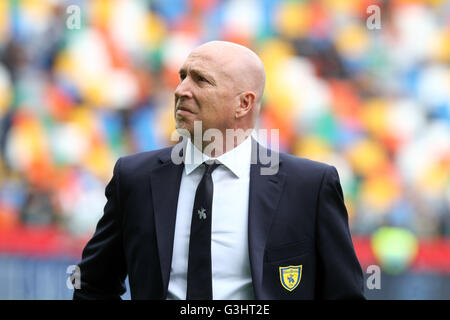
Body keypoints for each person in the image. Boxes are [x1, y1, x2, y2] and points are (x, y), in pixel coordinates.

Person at [73, 41, 365, 300]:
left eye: (201, 80)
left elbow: (343, 295)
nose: (181, 90)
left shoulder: (309, 186)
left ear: (244, 103)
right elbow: (93, 284)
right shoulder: (134, 178)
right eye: (182, 76)